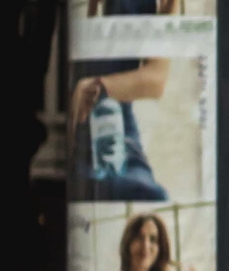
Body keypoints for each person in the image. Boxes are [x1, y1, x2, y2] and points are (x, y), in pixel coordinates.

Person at [68, 58, 174, 202]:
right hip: (68, 137)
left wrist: (97, 87)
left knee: (148, 194)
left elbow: (157, 78)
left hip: (120, 133)